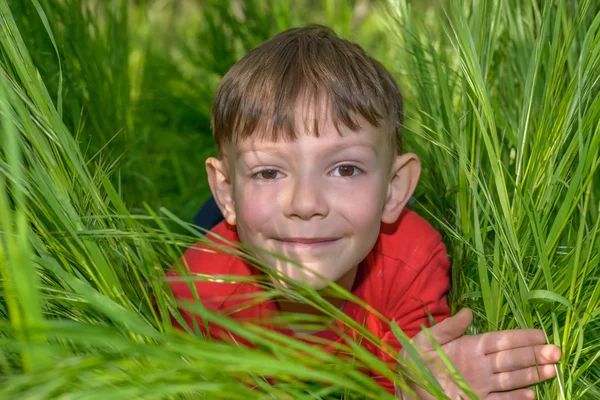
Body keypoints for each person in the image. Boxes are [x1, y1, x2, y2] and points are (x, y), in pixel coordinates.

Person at [168, 25, 560, 398]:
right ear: (228, 192)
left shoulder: (413, 261)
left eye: (344, 169)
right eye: (269, 171)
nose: (306, 203)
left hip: (313, 231)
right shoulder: (196, 292)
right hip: (236, 232)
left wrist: (413, 388)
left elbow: (412, 379)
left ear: (394, 189)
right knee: (209, 225)